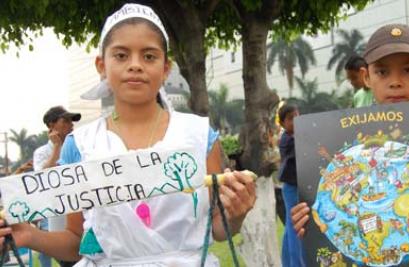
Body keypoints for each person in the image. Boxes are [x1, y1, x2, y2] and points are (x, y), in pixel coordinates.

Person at [0, 3, 256, 266]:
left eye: (149, 56)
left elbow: (216, 227)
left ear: (166, 68)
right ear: (101, 64)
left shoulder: (198, 136)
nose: (135, 66)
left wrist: (236, 214)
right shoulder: (81, 145)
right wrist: (29, 235)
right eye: (121, 55)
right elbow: (76, 241)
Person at [291, 24, 409, 239]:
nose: (395, 82)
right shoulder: (344, 134)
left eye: (408, 70)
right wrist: (306, 219)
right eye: (382, 72)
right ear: (367, 77)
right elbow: (328, 204)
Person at [33, 106, 81, 267]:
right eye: (65, 121)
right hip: (58, 217)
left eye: (71, 121)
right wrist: (57, 148)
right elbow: (43, 178)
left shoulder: (80, 146)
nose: (71, 125)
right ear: (51, 125)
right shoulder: (42, 152)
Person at [277, 103, 304, 267]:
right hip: (291, 188)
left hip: (293, 186)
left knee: (290, 226)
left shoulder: (295, 137)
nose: (295, 121)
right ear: (282, 123)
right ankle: (296, 263)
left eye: (297, 116)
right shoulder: (287, 140)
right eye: (290, 118)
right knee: (295, 228)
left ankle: (288, 263)